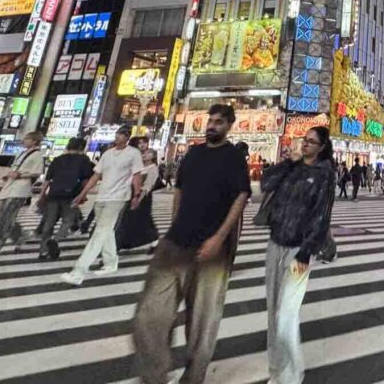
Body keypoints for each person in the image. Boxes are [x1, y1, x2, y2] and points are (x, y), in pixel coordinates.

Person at [133, 104, 250, 384]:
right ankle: (154, 377)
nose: (212, 125)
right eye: (210, 121)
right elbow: (179, 190)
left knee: (202, 323)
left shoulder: (234, 157)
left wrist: (219, 238)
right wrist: (174, 224)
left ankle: (193, 378)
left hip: (213, 251)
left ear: (229, 126)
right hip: (176, 242)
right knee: (148, 317)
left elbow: (241, 197)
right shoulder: (194, 153)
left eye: (219, 122)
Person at [260, 126, 336, 384]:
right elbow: (266, 183)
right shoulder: (293, 166)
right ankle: (276, 372)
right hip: (275, 244)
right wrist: (287, 162)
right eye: (304, 140)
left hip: (299, 252)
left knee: (286, 315)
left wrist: (306, 252)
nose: (305, 145)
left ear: (322, 147)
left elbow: (322, 216)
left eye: (311, 142)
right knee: (273, 312)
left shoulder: (325, 174)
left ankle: (292, 375)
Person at [61, 127, 143, 285]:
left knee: (100, 233)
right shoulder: (108, 153)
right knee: (106, 231)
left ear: (127, 137)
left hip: (118, 197)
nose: (118, 136)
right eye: (118, 134)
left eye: (122, 134)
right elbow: (96, 175)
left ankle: (78, 271)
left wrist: (136, 195)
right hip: (102, 196)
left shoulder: (133, 153)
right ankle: (111, 262)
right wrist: (83, 193)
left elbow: (136, 176)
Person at [0, 132, 45, 258]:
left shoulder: (37, 155)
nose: (24, 140)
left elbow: (36, 173)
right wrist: (9, 175)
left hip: (19, 190)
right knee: (3, 218)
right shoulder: (22, 153)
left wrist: (19, 175)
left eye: (27, 139)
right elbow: (16, 169)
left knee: (4, 220)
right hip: (9, 187)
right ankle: (21, 237)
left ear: (34, 141)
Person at [36, 137, 93, 259]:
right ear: (81, 147)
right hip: (71, 194)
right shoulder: (83, 160)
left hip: (54, 193)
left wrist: (41, 196)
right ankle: (56, 240)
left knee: (49, 222)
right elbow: (85, 179)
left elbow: (47, 180)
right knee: (67, 221)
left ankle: (43, 251)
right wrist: (83, 195)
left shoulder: (57, 159)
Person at [116, 148, 161, 253]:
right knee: (142, 221)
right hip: (132, 194)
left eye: (149, 153)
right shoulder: (139, 167)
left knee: (134, 220)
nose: (145, 155)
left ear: (153, 156)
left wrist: (138, 199)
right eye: (144, 153)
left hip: (142, 197)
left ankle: (119, 244)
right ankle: (154, 239)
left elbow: (148, 186)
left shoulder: (153, 168)